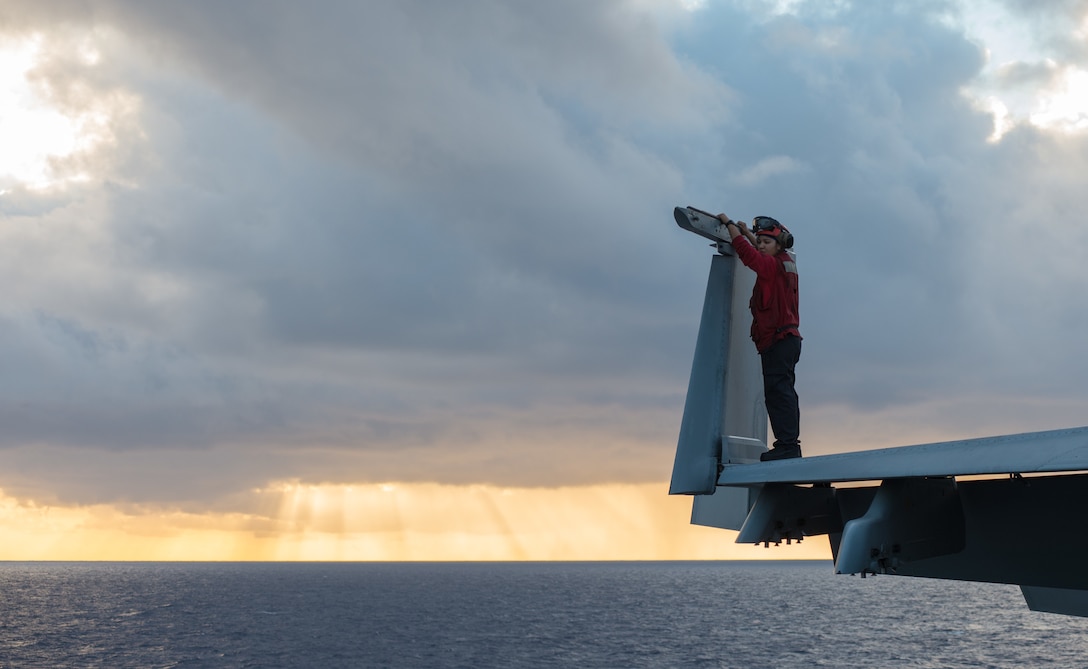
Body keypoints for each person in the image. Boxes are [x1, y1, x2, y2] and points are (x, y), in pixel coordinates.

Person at [717, 213, 802, 461]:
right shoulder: (783, 262)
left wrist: (731, 227)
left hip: (778, 341)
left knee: (778, 395)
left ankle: (787, 447)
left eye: (767, 242)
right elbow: (761, 251)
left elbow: (749, 255)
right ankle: (789, 445)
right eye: (760, 241)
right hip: (787, 340)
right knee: (783, 393)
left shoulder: (769, 266)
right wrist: (747, 232)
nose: (762, 245)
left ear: (780, 244)